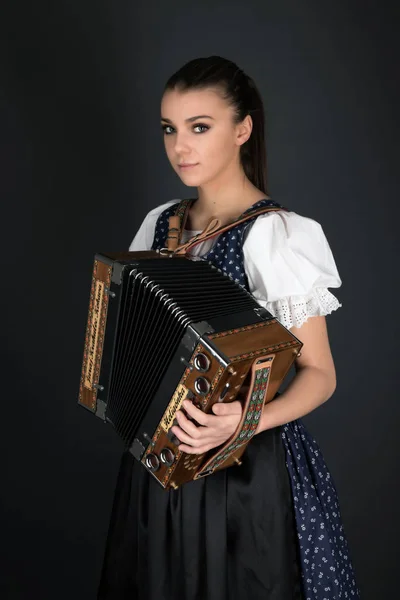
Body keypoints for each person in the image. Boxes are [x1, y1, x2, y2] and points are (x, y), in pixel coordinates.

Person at [98, 55, 360, 600]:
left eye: (200, 127)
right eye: (170, 129)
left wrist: (240, 422)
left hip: (245, 469)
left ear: (242, 129)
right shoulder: (160, 223)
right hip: (156, 465)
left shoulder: (278, 234)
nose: (180, 147)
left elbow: (320, 374)